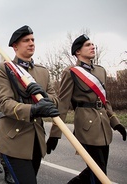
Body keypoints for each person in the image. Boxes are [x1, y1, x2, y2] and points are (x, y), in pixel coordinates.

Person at [0, 25, 60, 184]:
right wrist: (34, 109)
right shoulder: (3, 69)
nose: (31, 43)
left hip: (36, 140)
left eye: (33, 40)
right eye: (26, 41)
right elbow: (5, 103)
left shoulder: (42, 71)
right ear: (15, 47)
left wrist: (43, 96)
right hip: (14, 140)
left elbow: (55, 100)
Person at [58, 34, 127, 184]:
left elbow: (104, 100)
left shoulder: (100, 71)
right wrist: (55, 135)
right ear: (78, 51)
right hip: (86, 126)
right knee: (98, 172)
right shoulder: (70, 72)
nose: (92, 47)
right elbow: (62, 104)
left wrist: (115, 122)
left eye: (93, 44)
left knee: (97, 170)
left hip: (103, 126)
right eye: (88, 45)